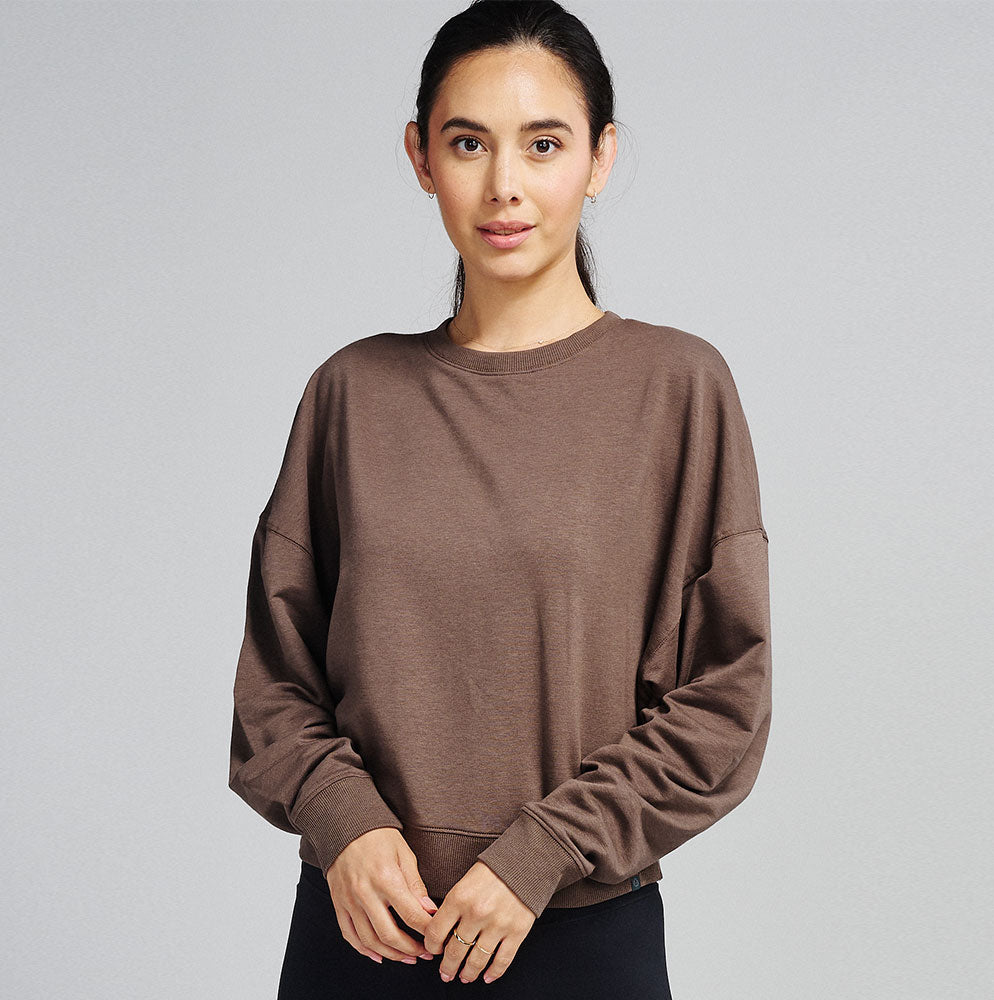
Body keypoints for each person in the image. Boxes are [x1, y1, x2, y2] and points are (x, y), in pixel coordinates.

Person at [228, 2, 772, 997]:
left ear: (601, 157)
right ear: (420, 156)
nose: (504, 185)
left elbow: (724, 696)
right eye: (468, 143)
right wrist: (345, 823)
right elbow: (275, 683)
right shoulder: (351, 393)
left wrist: (542, 851)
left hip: (577, 935)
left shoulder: (676, 389)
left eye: (544, 143)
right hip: (363, 930)